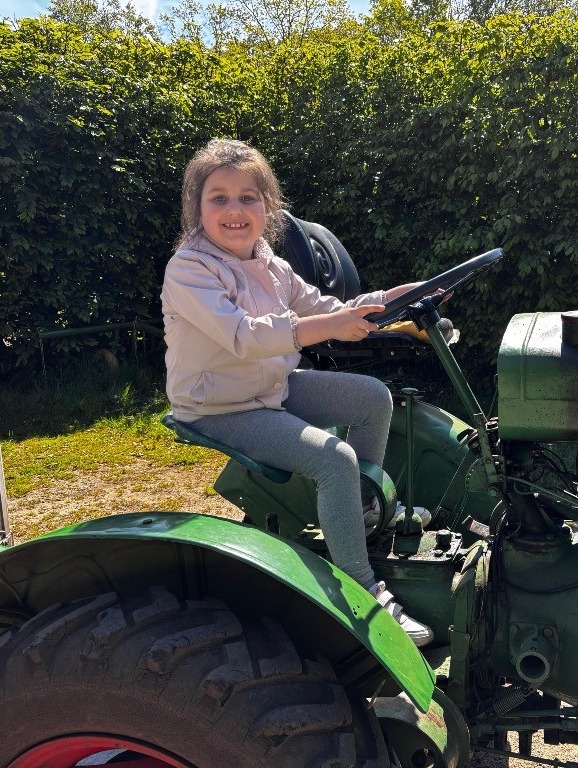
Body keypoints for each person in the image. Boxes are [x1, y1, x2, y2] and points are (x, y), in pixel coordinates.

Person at [161, 138, 433, 647]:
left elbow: (325, 308)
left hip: (271, 387)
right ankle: (361, 589)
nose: (235, 210)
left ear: (268, 207)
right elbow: (245, 337)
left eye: (248, 197)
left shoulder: (272, 265)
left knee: (373, 398)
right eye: (219, 198)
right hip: (220, 407)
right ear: (196, 208)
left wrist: (390, 299)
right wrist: (331, 326)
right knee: (335, 460)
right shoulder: (189, 270)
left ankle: (363, 512)